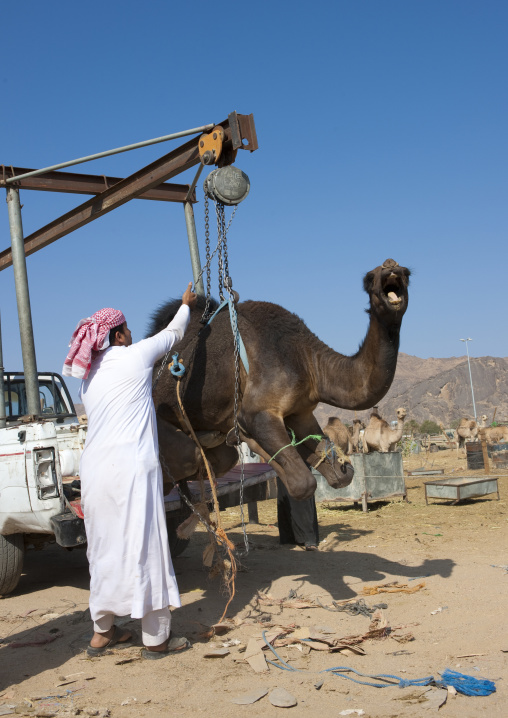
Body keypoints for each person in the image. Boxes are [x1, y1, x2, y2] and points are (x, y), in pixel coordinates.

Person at [63, 283, 197, 659]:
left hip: (95, 472)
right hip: (130, 471)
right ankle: (156, 639)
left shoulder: (90, 379)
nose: (132, 333)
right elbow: (172, 334)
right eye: (127, 329)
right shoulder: (134, 356)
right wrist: (185, 305)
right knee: (146, 546)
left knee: (104, 550)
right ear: (118, 334)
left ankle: (102, 632)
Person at [276, 477, 319, 551]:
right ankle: (289, 537)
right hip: (283, 469)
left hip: (300, 470)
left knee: (301, 495)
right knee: (285, 496)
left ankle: (308, 538)